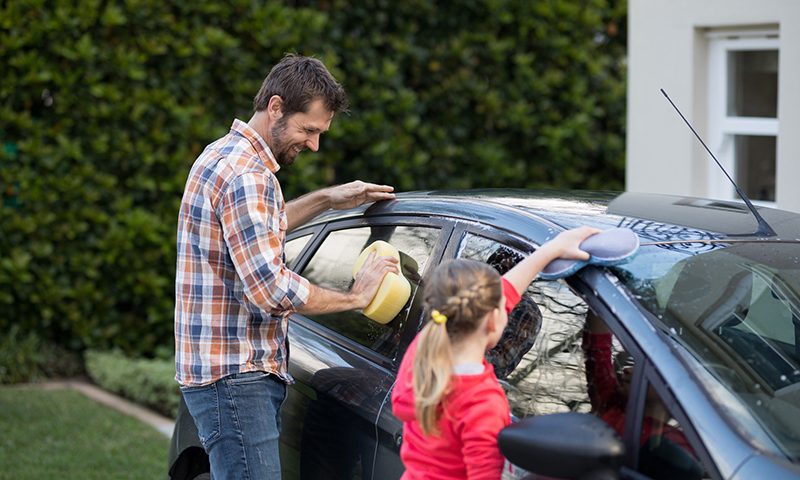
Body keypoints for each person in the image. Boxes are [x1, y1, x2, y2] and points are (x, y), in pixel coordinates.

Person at [174, 54, 398, 479]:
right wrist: (357, 297)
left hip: (221, 372)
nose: (314, 144)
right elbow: (270, 289)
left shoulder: (224, 154)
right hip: (236, 377)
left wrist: (326, 199)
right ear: (276, 107)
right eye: (309, 129)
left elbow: (254, 230)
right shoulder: (248, 177)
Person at [391, 226, 599, 479]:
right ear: (494, 320)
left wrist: (551, 250)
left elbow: (505, 291)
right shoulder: (481, 403)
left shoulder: (425, 346)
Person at [582, 312, 703, 479]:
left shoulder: (682, 447)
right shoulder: (612, 403)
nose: (627, 369)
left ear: (672, 387)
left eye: (648, 368)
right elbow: (596, 348)